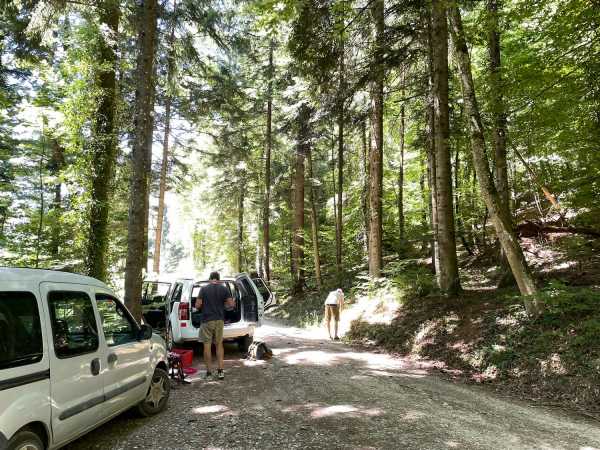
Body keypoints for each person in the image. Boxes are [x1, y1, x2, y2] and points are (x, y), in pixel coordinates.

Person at [195, 271, 234, 380]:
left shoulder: (203, 289)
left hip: (206, 320)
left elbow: (198, 305)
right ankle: (221, 371)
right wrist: (224, 304)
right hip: (219, 320)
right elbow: (231, 304)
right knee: (219, 345)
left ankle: (209, 373)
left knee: (207, 346)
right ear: (218, 279)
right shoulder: (224, 289)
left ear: (210, 278)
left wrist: (199, 306)